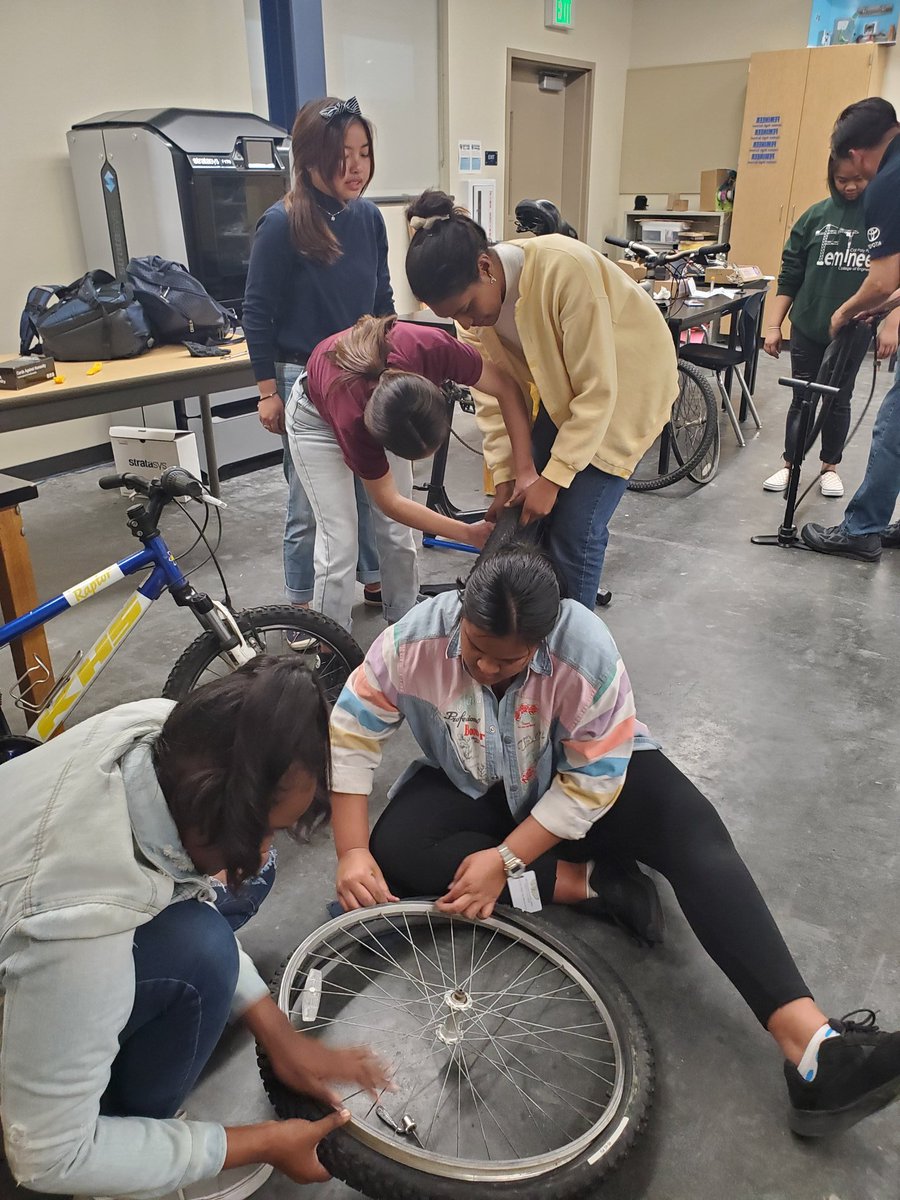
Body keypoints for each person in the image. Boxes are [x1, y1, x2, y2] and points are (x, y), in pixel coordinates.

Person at [327, 520, 900, 1137]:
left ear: (545, 640)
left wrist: (508, 859)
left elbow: (594, 780)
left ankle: (813, 1049)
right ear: (460, 612)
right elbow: (354, 731)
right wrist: (352, 851)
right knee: (396, 852)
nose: (488, 668)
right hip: (477, 778)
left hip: (574, 781)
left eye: (509, 659)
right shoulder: (413, 641)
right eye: (475, 650)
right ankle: (582, 882)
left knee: (693, 833)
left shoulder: (585, 648)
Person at [0, 658, 390, 1199]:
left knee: (236, 892)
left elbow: (179, 881)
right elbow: (47, 1157)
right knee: (201, 953)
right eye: (265, 830)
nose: (266, 848)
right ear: (210, 804)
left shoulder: (155, 729)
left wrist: (279, 1035)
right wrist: (255, 1142)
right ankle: (133, 1144)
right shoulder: (75, 924)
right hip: (38, 920)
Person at [403, 189, 679, 608]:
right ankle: (530, 628)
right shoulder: (472, 313)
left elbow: (599, 391)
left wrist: (552, 479)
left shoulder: (565, 270)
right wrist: (506, 476)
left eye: (466, 308)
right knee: (520, 513)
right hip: (565, 390)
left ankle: (571, 651)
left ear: (485, 266)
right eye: (453, 317)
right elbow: (494, 399)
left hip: (628, 385)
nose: (466, 322)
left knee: (575, 527)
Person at [286, 313, 537, 631]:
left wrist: (521, 472)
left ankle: (404, 624)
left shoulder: (431, 348)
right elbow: (390, 501)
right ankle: (331, 646)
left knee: (396, 532)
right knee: (339, 543)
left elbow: (506, 387)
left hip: (382, 405)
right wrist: (467, 533)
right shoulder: (352, 416)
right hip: (315, 420)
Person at [243, 95, 388, 619]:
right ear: (308, 158)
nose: (356, 166)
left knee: (371, 482)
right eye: (342, 154)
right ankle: (302, 605)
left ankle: (374, 580)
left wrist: (390, 363)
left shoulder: (369, 218)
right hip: (301, 376)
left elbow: (382, 301)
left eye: (364, 153)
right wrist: (266, 392)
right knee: (309, 501)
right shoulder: (281, 224)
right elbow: (255, 312)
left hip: (362, 369)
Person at [762, 155, 900, 497]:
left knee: (839, 400)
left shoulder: (883, 217)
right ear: (831, 178)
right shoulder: (814, 217)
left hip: (853, 331)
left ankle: (829, 466)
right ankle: (790, 464)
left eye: (857, 179)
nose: (850, 186)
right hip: (809, 325)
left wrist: (892, 324)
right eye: (842, 180)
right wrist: (774, 324)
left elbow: (893, 280)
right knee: (802, 397)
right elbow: (790, 273)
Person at [801, 98, 900, 561]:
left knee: (892, 427)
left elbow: (881, 279)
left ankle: (862, 530)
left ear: (856, 154)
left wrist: (846, 311)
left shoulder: (888, 182)